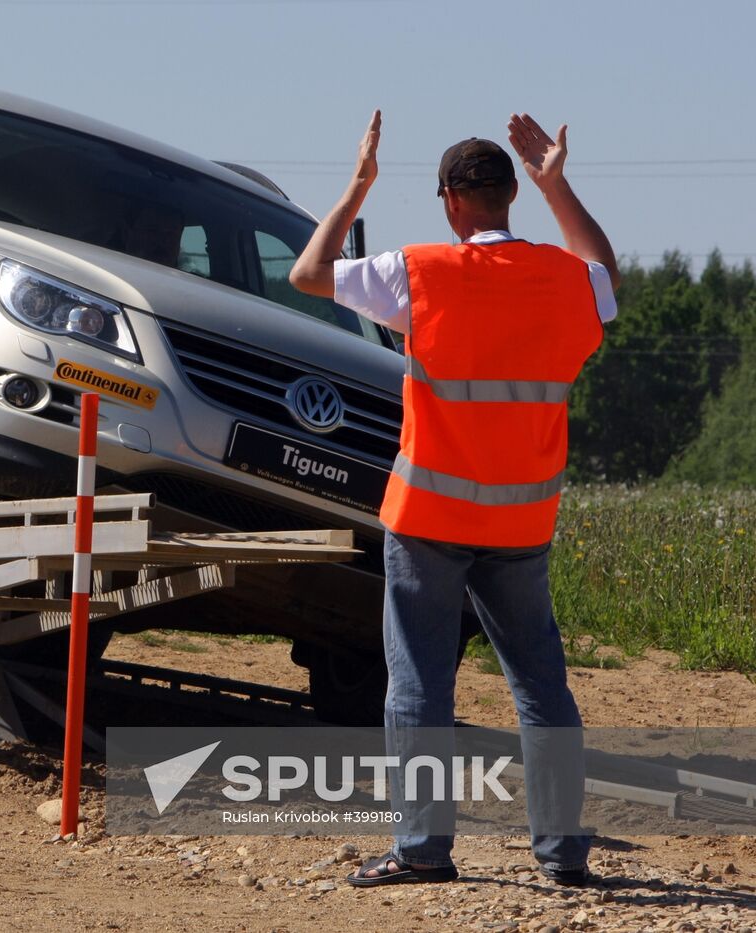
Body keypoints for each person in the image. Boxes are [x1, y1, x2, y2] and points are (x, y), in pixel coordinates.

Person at [288, 111, 620, 888]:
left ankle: (422, 850)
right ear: (510, 196)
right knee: (540, 684)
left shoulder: (420, 272)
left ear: (449, 201)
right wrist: (559, 186)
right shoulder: (565, 280)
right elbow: (605, 275)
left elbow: (309, 273)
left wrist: (357, 184)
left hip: (430, 516)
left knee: (419, 684)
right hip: (520, 518)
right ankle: (564, 854)